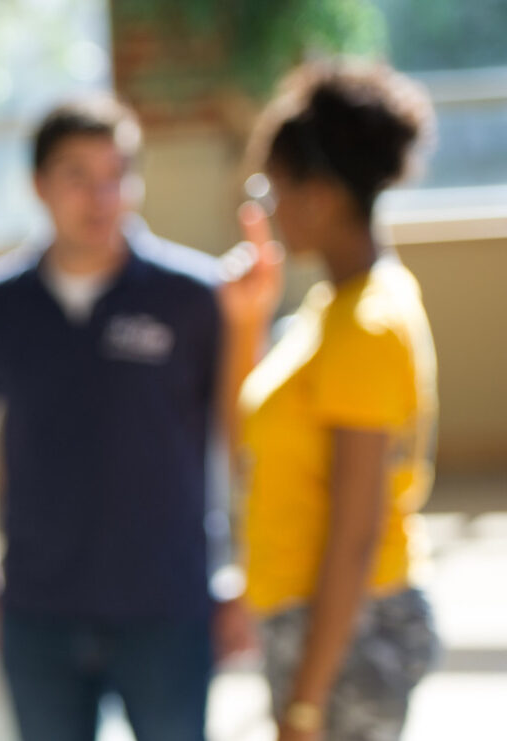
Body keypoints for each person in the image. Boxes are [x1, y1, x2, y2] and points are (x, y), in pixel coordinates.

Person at [0, 96, 252, 741]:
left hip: (168, 606)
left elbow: (249, 439)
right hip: (38, 610)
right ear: (39, 186)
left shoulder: (196, 295)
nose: (100, 196)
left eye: (117, 175)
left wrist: (246, 578)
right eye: (78, 176)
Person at [220, 60, 441, 741]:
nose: (265, 207)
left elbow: (356, 532)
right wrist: (247, 320)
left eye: (274, 187)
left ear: (319, 195)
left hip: (348, 627)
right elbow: (249, 445)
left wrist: (308, 702)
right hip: (307, 616)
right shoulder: (331, 305)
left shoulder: (366, 325)